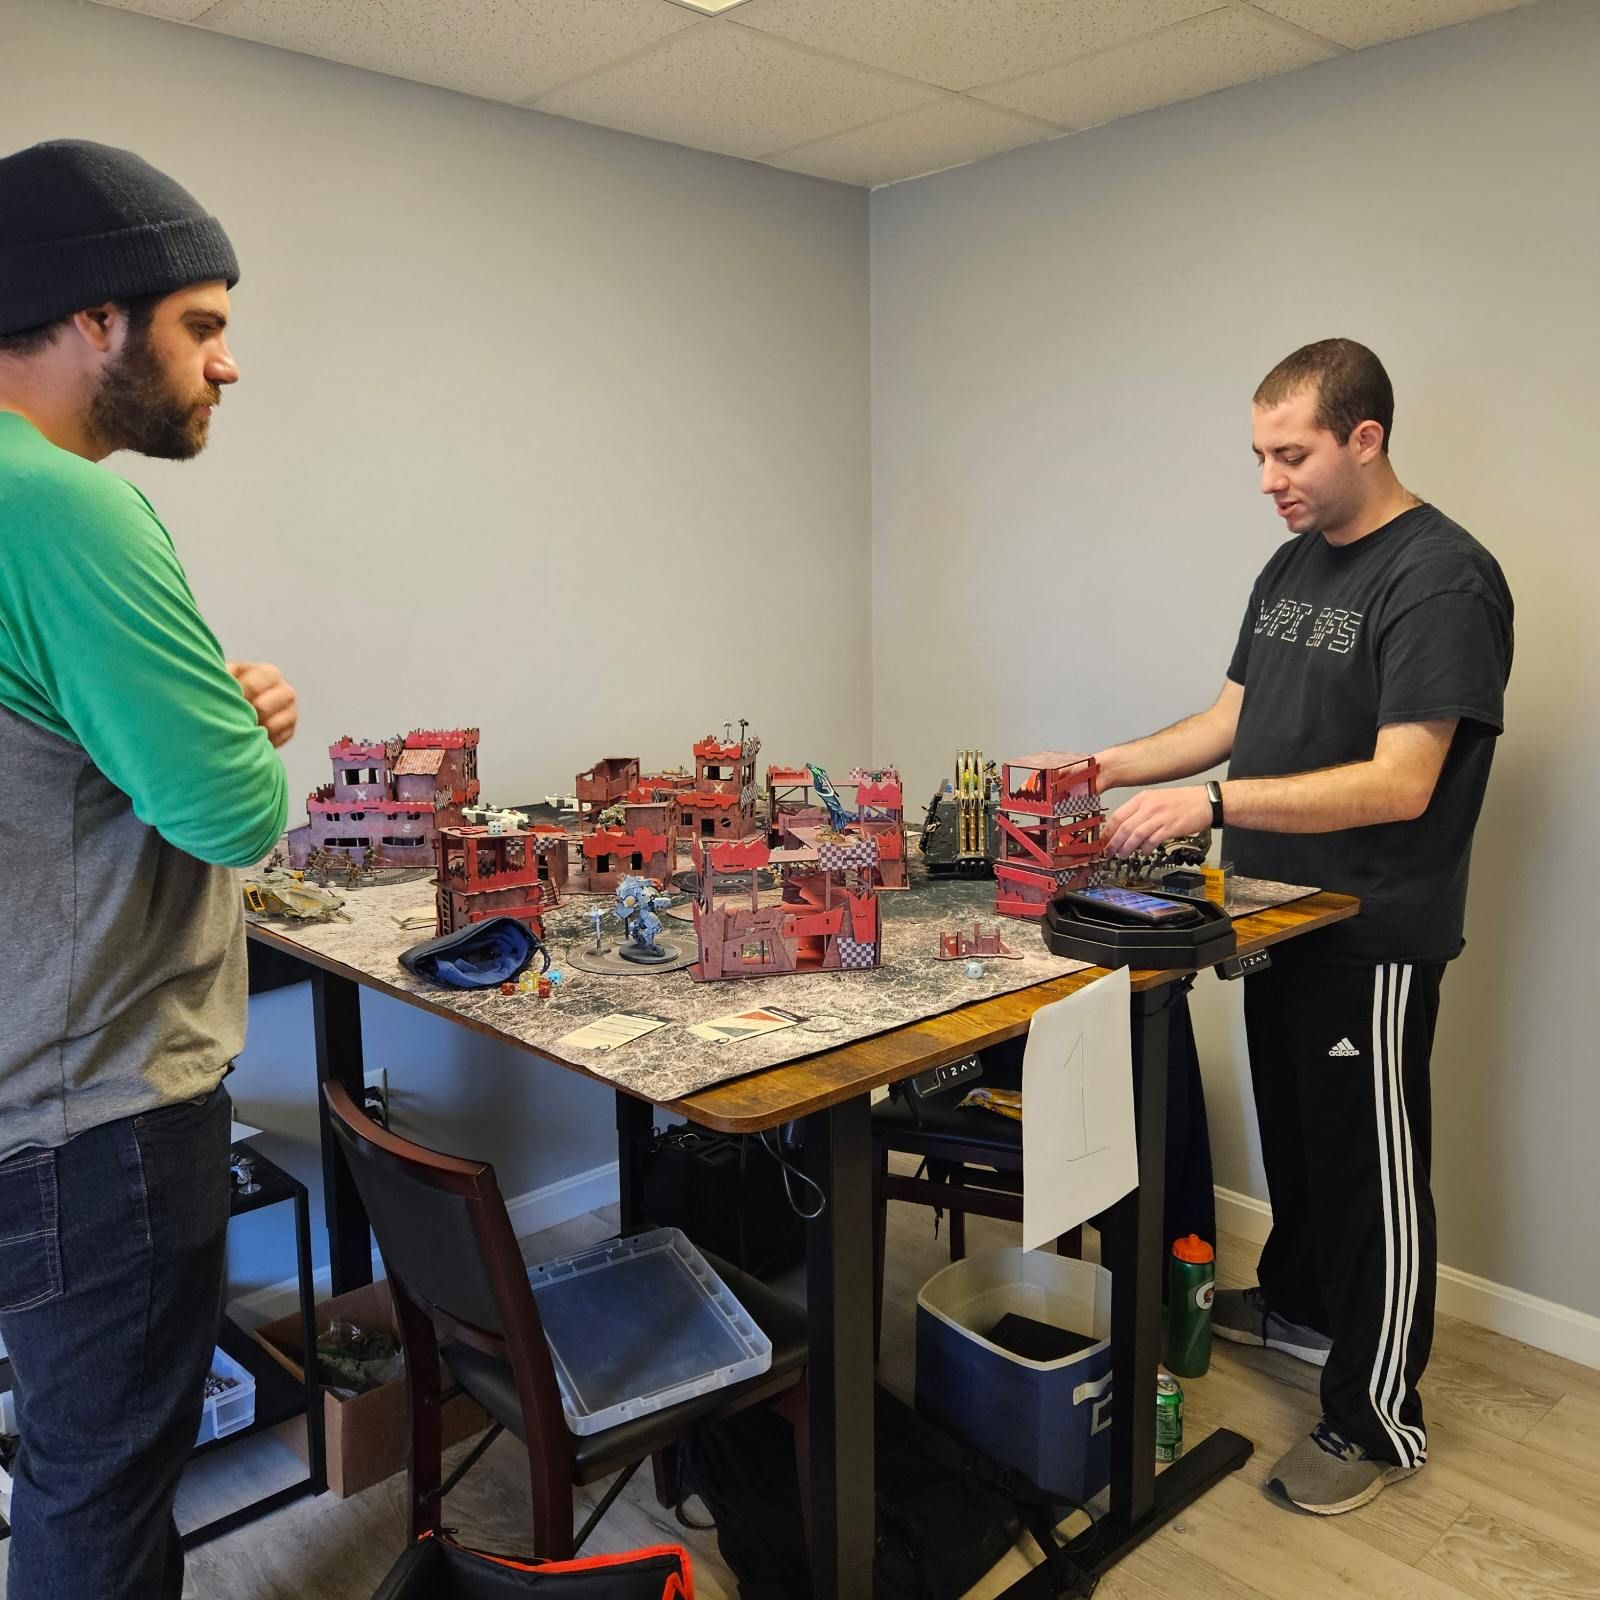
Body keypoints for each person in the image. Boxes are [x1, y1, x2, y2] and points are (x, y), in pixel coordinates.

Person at [1091, 338, 1512, 1515]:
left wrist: (1212, 806)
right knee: (1301, 1143)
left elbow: (1401, 781)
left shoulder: (1439, 576)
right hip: (1269, 915)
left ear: (1363, 437)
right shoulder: (1290, 568)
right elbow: (1232, 717)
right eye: (1260, 455)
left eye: (1291, 453)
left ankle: (1375, 1419)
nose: (1270, 478)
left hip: (1370, 929)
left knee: (1371, 1170)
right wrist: (1103, 763)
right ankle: (1303, 1309)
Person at [0, 140, 298, 1598]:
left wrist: (186, 731)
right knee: (104, 1500)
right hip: (94, 1112)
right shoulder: (63, 503)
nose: (224, 365)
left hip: (17, 1087)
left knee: (60, 1469)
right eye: (201, 324)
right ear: (96, 319)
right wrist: (232, 729)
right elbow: (234, 814)